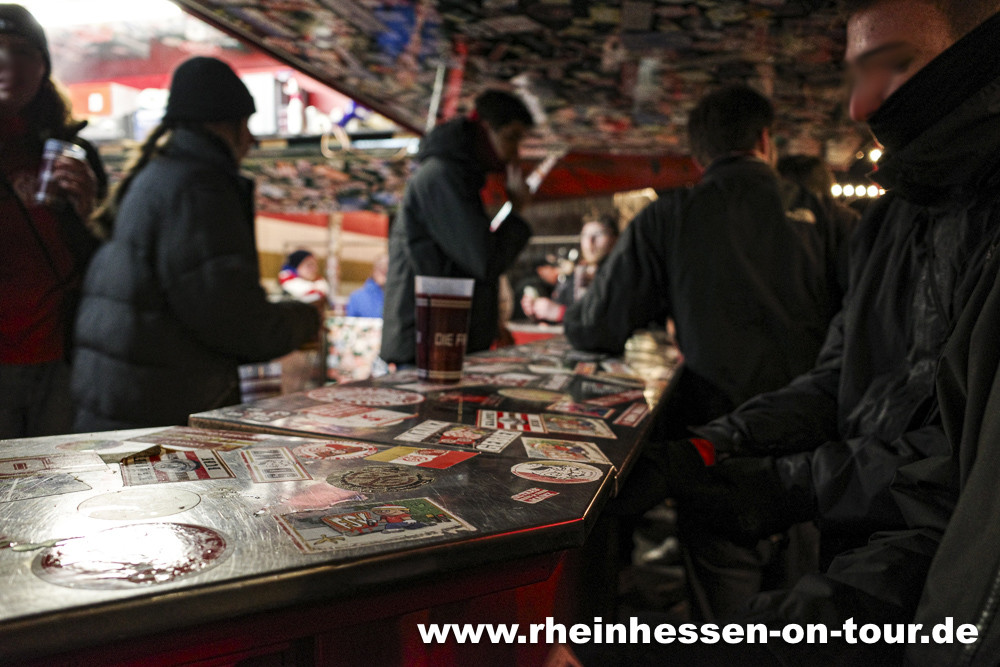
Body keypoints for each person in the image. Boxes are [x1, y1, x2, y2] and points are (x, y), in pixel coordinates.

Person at [581, 1, 1000, 662]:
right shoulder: (889, 220)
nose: (860, 106)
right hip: (850, 541)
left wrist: (782, 485)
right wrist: (714, 448)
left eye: (892, 66)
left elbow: (957, 496)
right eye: (855, 74)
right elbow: (841, 378)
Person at [566, 85, 851, 435]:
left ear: (698, 159)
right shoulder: (832, 218)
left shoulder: (666, 218)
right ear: (765, 141)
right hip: (817, 431)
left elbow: (595, 327)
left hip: (712, 436)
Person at [71, 57, 320, 431]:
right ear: (225, 125)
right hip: (156, 410)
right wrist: (307, 317)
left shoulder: (157, 175)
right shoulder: (199, 188)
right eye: (246, 124)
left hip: (124, 399)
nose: (251, 139)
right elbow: (229, 315)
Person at [0, 4, 107, 439]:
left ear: (43, 66)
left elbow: (106, 260)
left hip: (59, 355)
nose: (8, 60)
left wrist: (92, 215)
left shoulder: (72, 150)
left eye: (23, 50)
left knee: (52, 488)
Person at [380, 90, 534, 365]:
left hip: (440, 337)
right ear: (486, 129)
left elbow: (463, 262)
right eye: (511, 137)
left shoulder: (458, 178)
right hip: (429, 345)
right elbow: (483, 261)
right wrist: (516, 212)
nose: (515, 152)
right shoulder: (443, 177)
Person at [522, 215, 619, 323]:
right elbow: (562, 310)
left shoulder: (619, 276)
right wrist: (538, 310)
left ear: (615, 239)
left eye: (599, 234)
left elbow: (613, 320)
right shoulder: (576, 275)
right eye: (585, 235)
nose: (590, 241)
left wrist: (560, 313)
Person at [512, 255, 561, 321]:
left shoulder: (542, 285)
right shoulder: (534, 285)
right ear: (540, 270)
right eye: (552, 268)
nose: (556, 272)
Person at [345, 252, 388, 317]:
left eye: (387, 270)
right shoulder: (356, 298)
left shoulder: (399, 299)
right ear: (374, 271)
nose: (384, 272)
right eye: (381, 269)